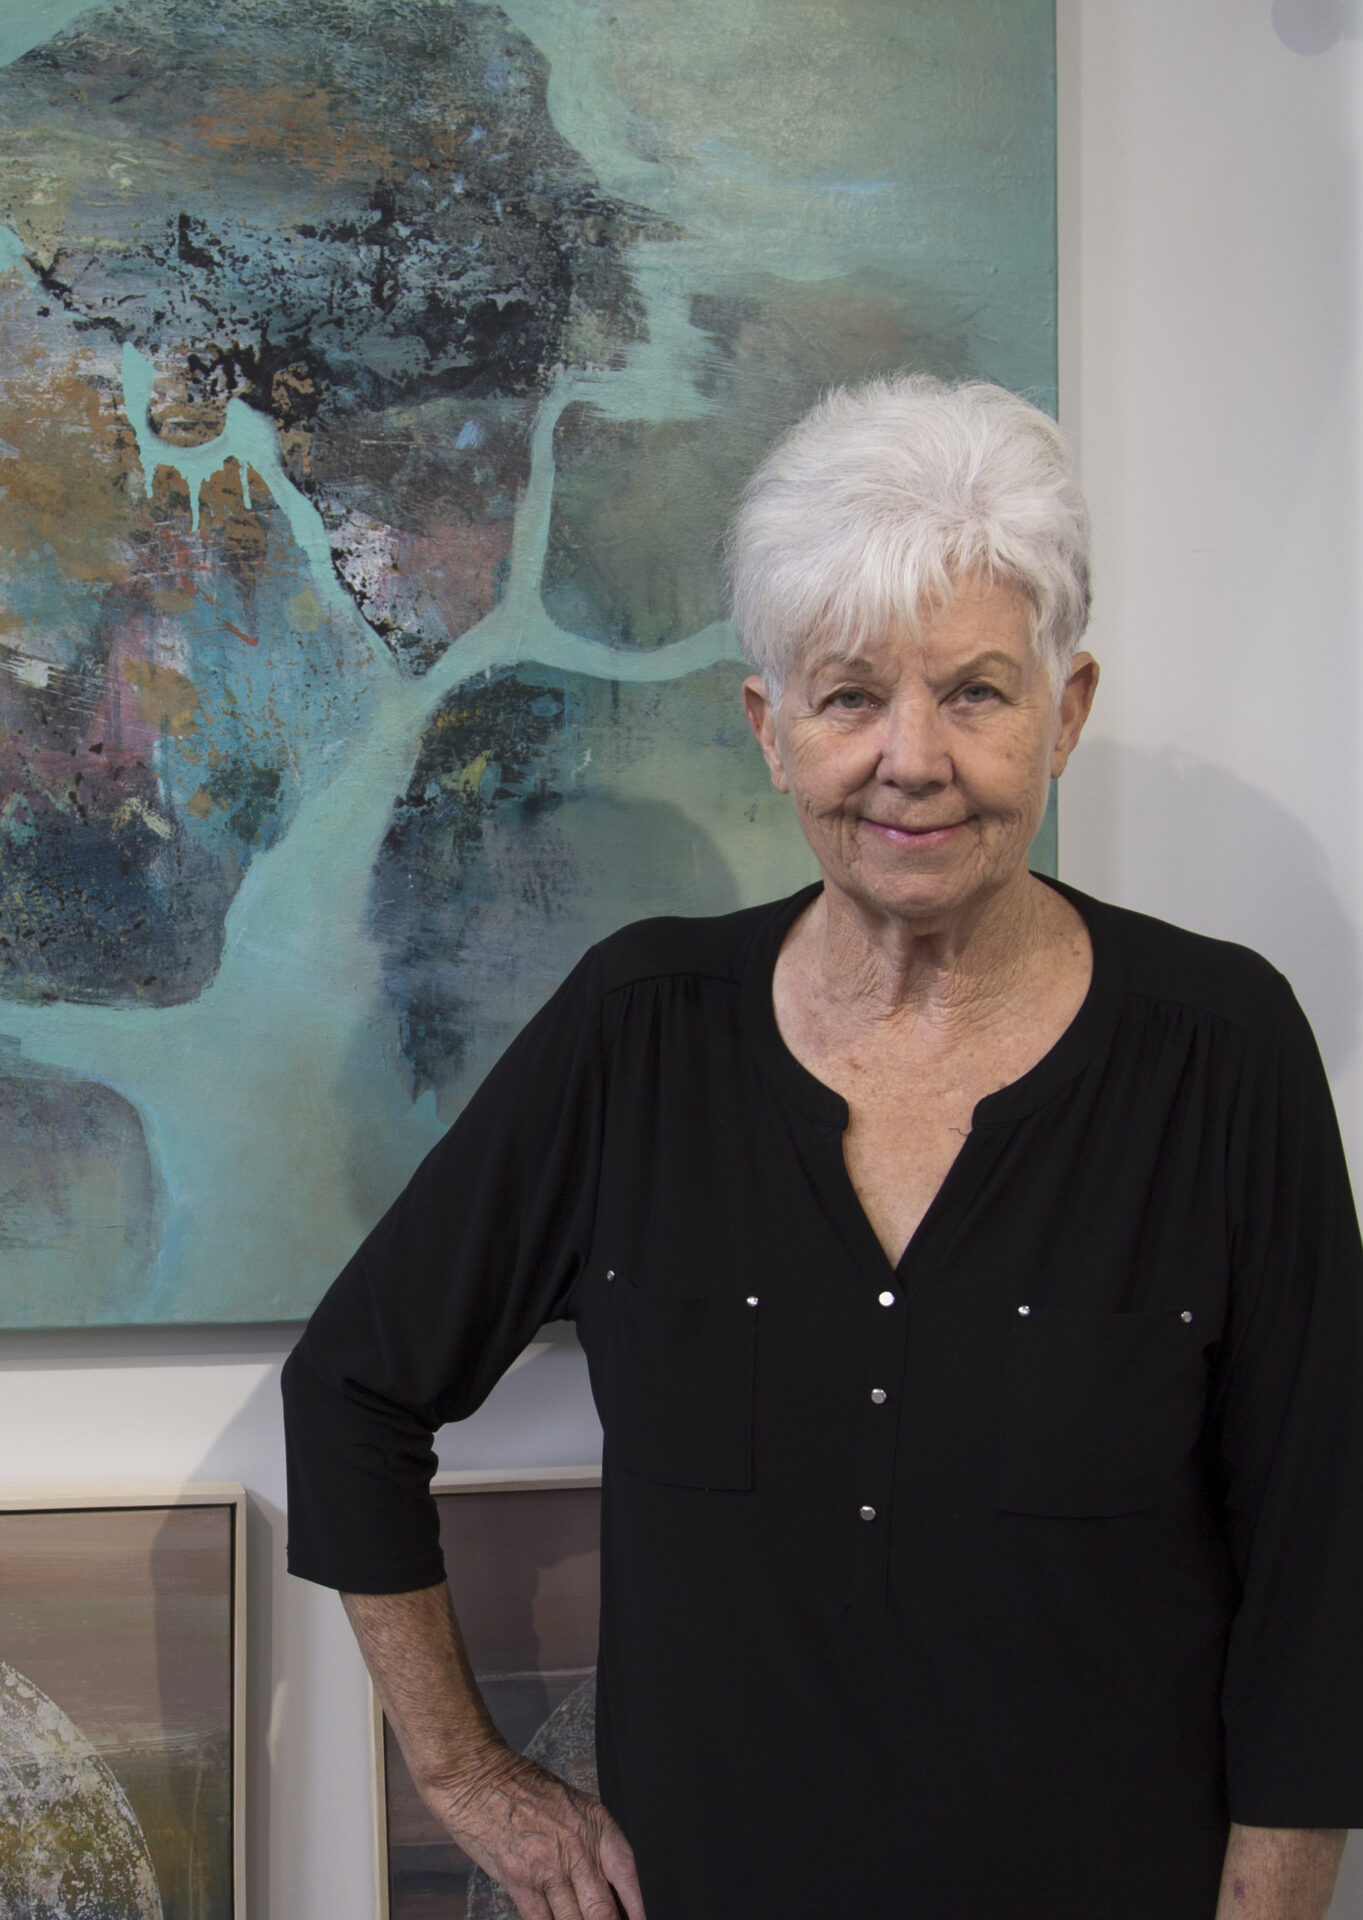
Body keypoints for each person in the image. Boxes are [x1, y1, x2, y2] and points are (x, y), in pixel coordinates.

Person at [282, 375, 1363, 1920]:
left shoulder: (1222, 1049)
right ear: (770, 729)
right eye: (851, 697)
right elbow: (352, 1391)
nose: (912, 759)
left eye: (975, 693)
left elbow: (1324, 1556)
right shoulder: (640, 1030)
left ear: (1066, 712)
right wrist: (466, 1774)